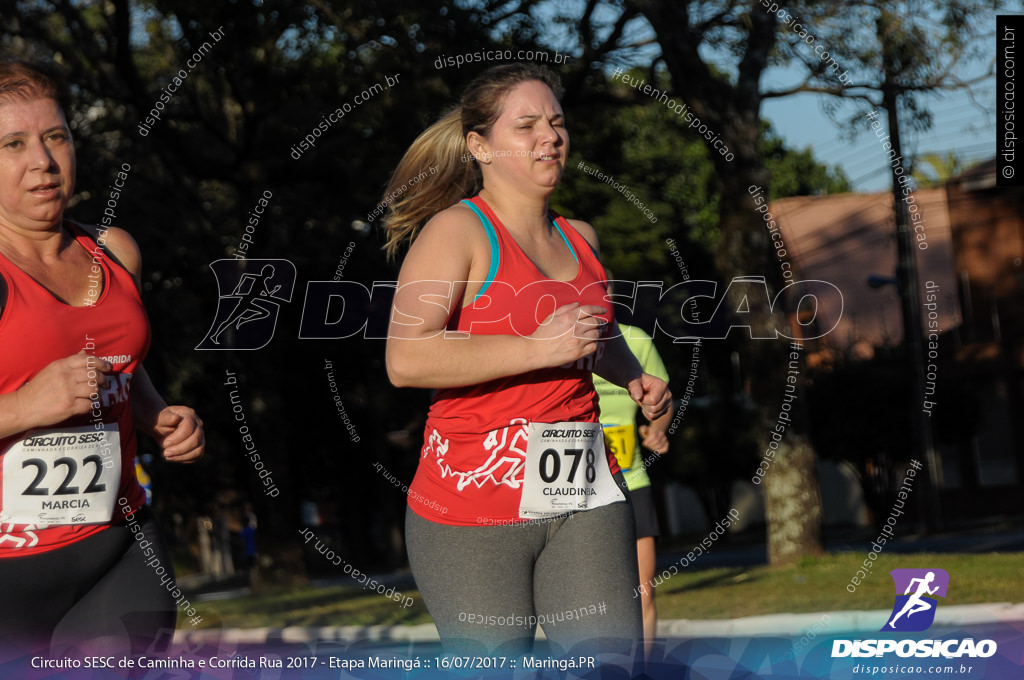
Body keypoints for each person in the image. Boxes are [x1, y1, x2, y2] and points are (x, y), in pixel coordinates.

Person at [381, 63, 671, 658]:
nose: (551, 137)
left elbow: (597, 336)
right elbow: (406, 359)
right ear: (479, 146)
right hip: (471, 507)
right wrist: (535, 348)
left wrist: (635, 378)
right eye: (528, 125)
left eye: (558, 123)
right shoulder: (457, 231)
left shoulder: (580, 237)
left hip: (581, 486)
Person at [0, 61, 205, 655]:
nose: (42, 159)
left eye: (55, 136)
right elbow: (38, 393)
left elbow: (120, 362)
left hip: (120, 547)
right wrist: (24, 406)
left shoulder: (113, 250)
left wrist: (157, 415)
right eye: (13, 143)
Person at [593, 320, 672, 655]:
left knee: (643, 588)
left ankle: (644, 667)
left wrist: (658, 428)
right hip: (579, 487)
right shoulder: (560, 337)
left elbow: (662, 398)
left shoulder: (634, 339)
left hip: (632, 480)